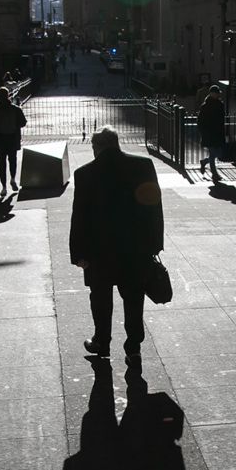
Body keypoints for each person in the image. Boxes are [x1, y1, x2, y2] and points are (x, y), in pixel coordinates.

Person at [69, 126, 165, 362]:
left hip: (99, 252)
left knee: (100, 299)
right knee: (134, 299)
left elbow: (79, 217)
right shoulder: (143, 167)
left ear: (96, 147)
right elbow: (155, 208)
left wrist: (78, 253)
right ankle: (133, 348)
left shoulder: (85, 174)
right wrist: (155, 244)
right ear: (117, 143)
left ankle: (102, 343)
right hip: (135, 250)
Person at [0, 86, 27, 196]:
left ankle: (4, 187)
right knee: (12, 161)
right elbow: (23, 122)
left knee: (1, 164)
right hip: (12, 139)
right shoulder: (15, 109)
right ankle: (12, 179)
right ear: (8, 95)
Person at [197, 85, 225, 182]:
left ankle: (204, 162)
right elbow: (200, 121)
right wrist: (203, 132)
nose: (218, 95)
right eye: (216, 93)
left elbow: (222, 121)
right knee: (213, 153)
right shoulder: (205, 106)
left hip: (217, 133)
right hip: (209, 133)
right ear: (212, 93)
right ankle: (214, 174)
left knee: (218, 153)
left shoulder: (220, 105)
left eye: (218, 93)